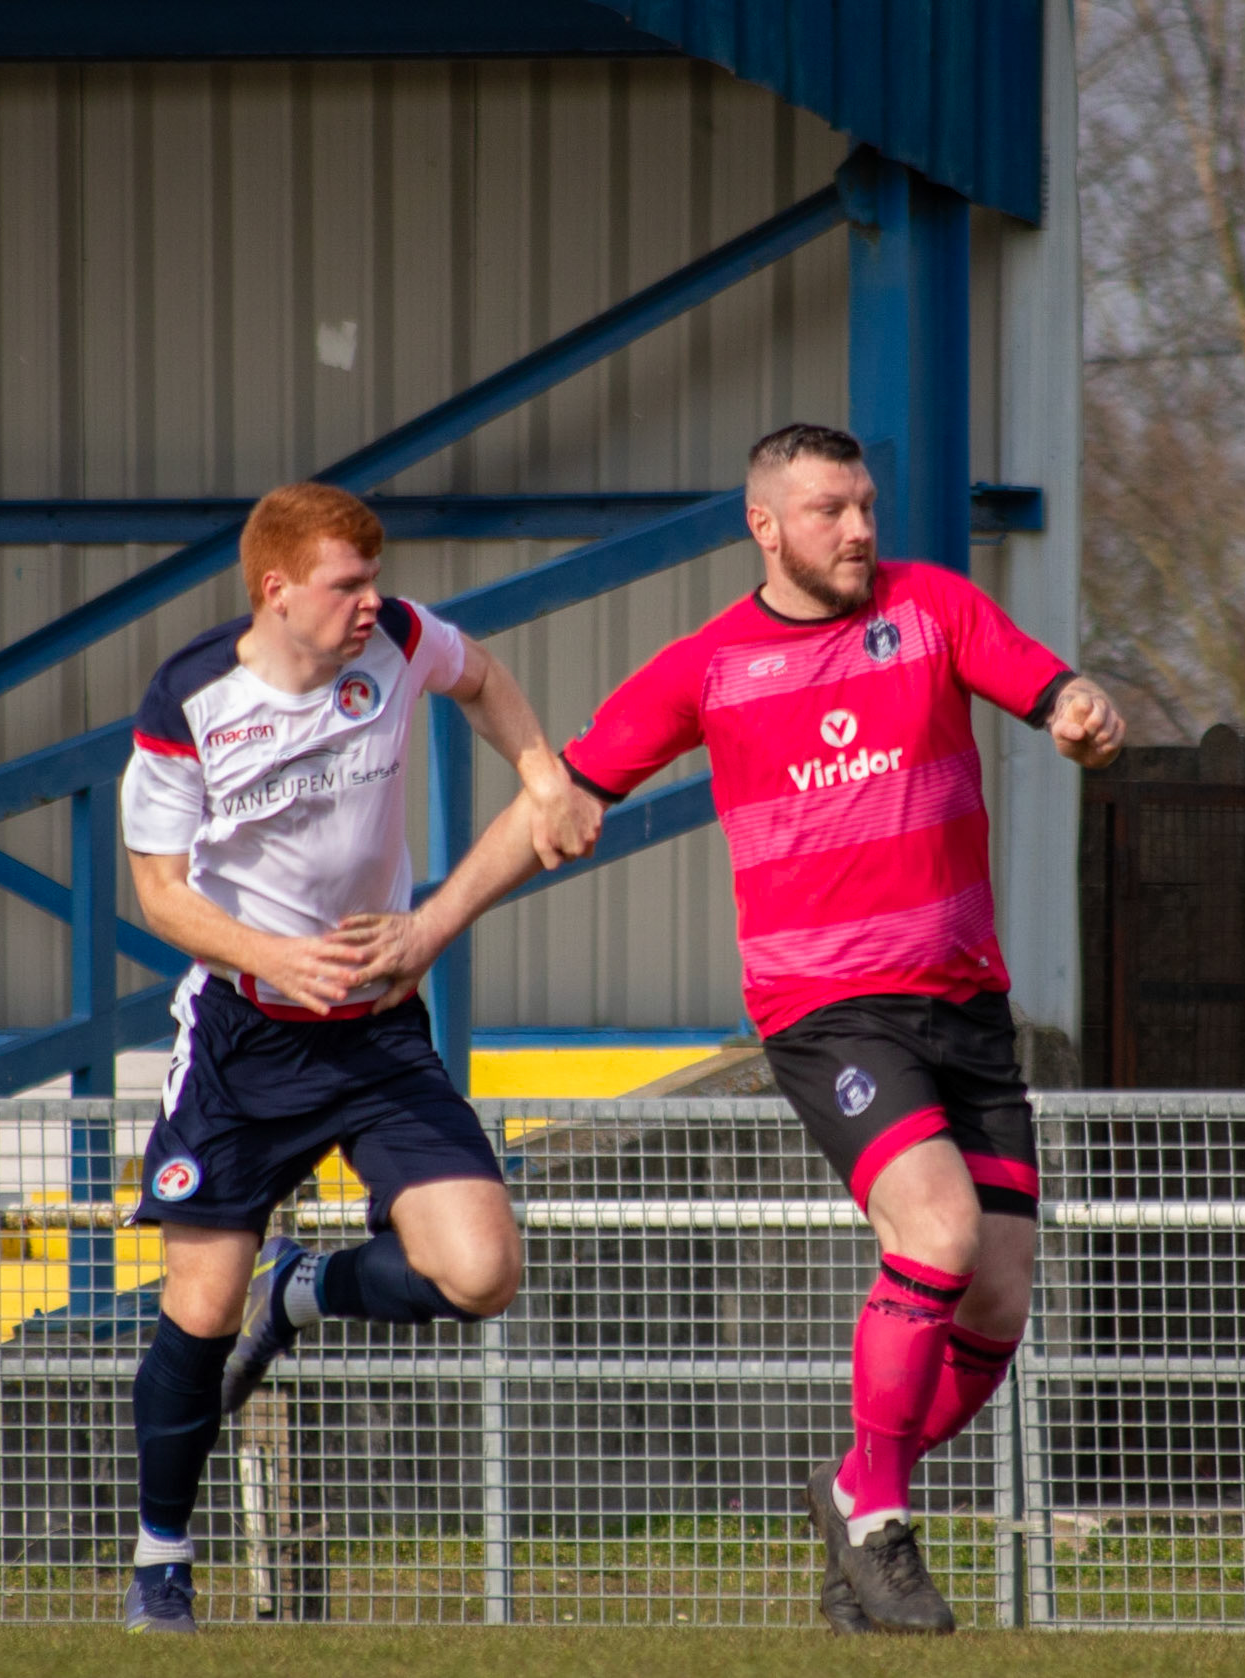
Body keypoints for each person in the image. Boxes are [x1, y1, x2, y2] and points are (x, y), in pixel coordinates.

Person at [331, 424, 1125, 1635]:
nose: (857, 529)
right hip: (829, 1008)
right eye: (827, 511)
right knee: (939, 1229)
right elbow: (560, 798)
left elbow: (1046, 683)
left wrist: (1079, 708)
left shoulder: (931, 607)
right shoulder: (708, 667)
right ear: (764, 526)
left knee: (999, 1300)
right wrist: (430, 927)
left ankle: (854, 1486)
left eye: (864, 505)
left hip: (966, 1001)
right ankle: (876, 1520)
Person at [116, 480, 600, 1633]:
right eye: (347, 584)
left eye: (375, 580)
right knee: (202, 1304)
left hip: (378, 1030)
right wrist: (272, 957)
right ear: (276, 589)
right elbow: (159, 894)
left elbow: (482, 678)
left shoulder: (399, 640)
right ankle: (161, 1562)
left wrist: (543, 775)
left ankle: (307, 1287)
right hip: (243, 1036)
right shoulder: (188, 696)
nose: (371, 601)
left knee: (481, 1272)